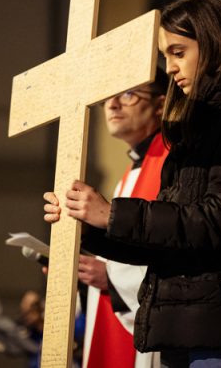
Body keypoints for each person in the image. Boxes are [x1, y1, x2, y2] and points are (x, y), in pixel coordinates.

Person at [44, 0, 221, 367]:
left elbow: (218, 220)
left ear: (213, 41)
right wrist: (88, 223)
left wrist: (112, 214)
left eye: (178, 52)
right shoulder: (202, 122)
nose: (170, 68)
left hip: (218, 330)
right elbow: (166, 241)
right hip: (188, 326)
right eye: (165, 56)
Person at [80, 68, 168, 368]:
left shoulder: (170, 163)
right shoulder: (131, 172)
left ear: (160, 105)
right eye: (109, 97)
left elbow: (173, 247)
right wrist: (80, 275)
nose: (113, 104)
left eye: (128, 94)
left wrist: (111, 277)